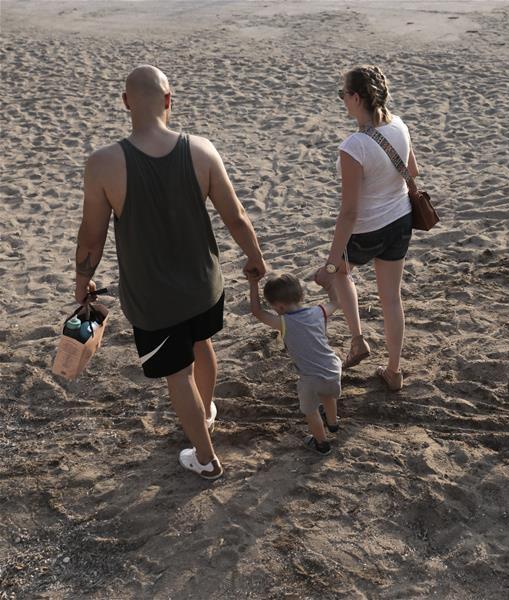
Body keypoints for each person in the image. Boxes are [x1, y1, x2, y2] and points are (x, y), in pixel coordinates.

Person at [74, 65, 267, 480]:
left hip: (154, 299)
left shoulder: (104, 163)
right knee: (202, 344)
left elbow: (92, 237)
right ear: (169, 99)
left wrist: (81, 280)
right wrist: (255, 257)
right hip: (204, 286)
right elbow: (235, 217)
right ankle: (207, 413)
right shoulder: (200, 149)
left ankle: (205, 457)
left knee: (177, 376)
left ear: (126, 102)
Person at [316, 65, 418, 392]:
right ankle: (394, 370)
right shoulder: (400, 126)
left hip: (368, 229)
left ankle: (358, 339)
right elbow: (412, 171)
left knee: (342, 273)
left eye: (342, 95)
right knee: (391, 299)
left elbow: (349, 212)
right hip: (400, 221)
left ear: (357, 97)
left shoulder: (354, 146)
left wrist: (331, 263)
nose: (342, 101)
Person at [249, 273, 341, 455]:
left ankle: (321, 444)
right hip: (333, 368)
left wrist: (253, 283)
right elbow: (336, 302)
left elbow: (257, 312)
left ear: (280, 306)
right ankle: (333, 424)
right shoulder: (319, 312)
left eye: (274, 307)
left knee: (311, 411)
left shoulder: (284, 322)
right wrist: (329, 285)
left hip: (310, 378)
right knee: (329, 397)